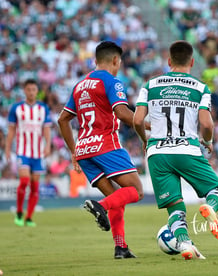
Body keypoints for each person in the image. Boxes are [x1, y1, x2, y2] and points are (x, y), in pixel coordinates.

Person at [134, 40, 218, 260]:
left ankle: (184, 244)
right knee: (216, 191)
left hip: (158, 153)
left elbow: (137, 120)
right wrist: (208, 141)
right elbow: (207, 124)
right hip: (187, 150)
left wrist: (144, 141)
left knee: (175, 208)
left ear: (169, 61)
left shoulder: (150, 85)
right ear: (192, 62)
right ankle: (210, 207)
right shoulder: (201, 88)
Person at [57, 41, 144, 259]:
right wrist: (148, 124)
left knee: (118, 198)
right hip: (106, 144)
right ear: (116, 60)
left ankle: (120, 247)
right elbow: (123, 113)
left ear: (96, 60)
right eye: (119, 62)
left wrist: (73, 151)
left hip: (85, 150)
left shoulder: (80, 85)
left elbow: (63, 119)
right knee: (136, 191)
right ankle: (100, 207)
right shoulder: (112, 81)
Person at [5, 79, 52, 227]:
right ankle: (19, 211)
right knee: (24, 181)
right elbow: (12, 130)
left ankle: (29, 217)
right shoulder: (16, 108)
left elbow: (46, 129)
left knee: (35, 186)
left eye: (34, 89)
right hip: (22, 151)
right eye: (29, 89)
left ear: (37, 91)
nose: (31, 92)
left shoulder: (43, 108)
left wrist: (48, 146)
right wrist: (7, 148)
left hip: (38, 153)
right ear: (25, 91)